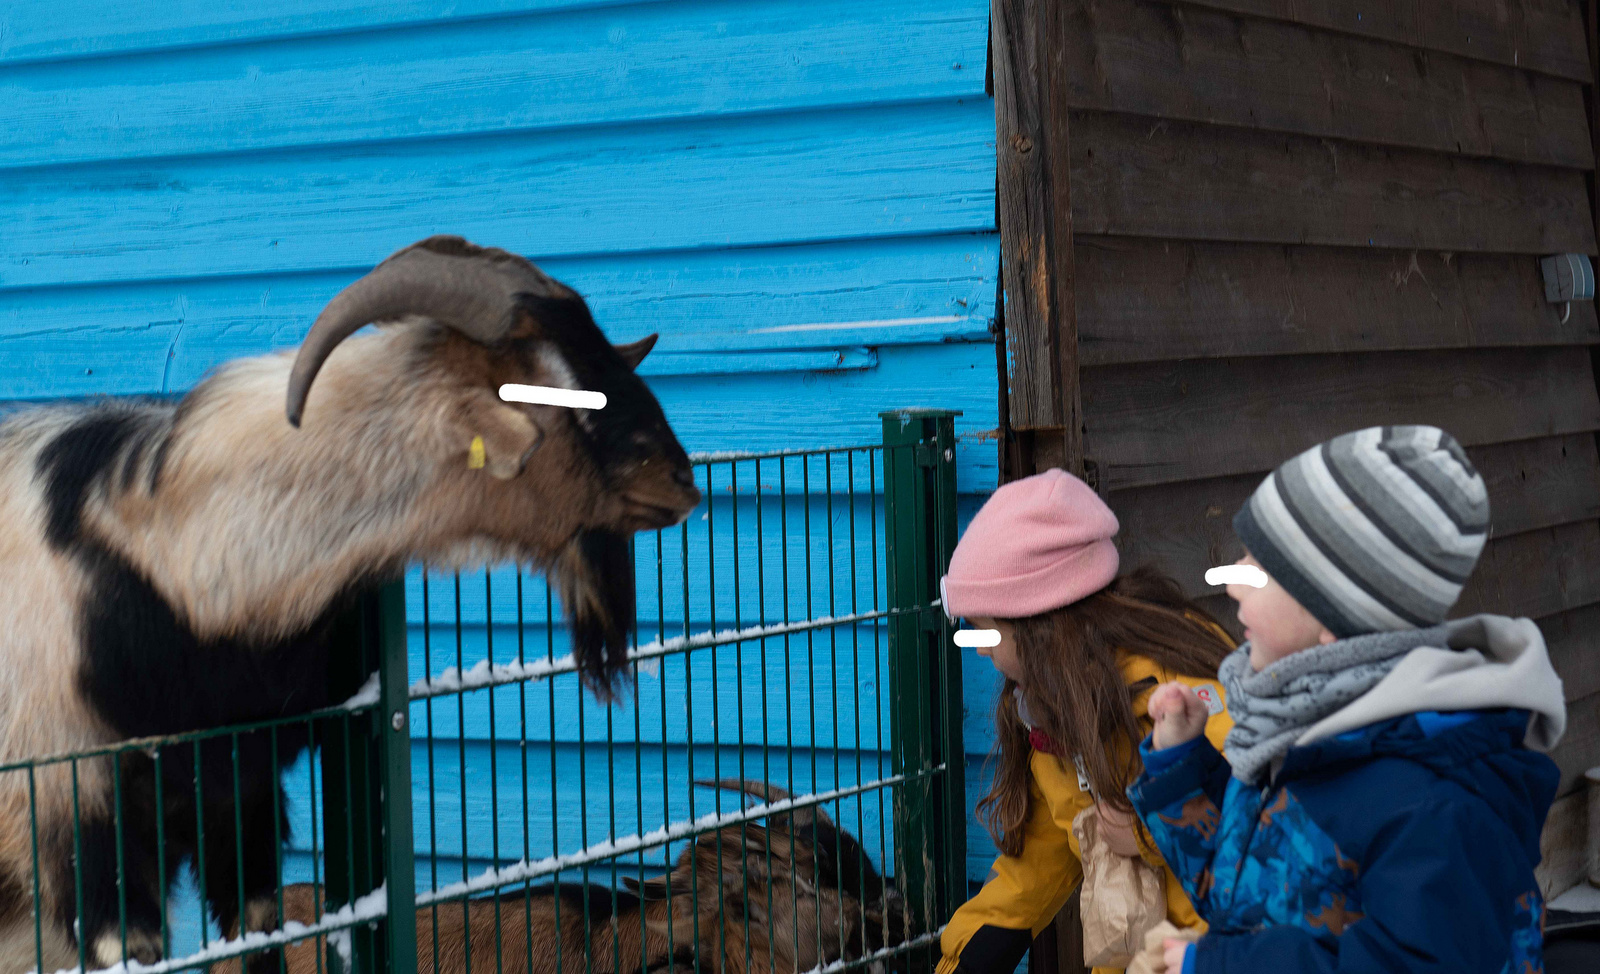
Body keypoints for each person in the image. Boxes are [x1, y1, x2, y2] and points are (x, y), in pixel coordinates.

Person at [1130, 425, 1567, 974]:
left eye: (1260, 568)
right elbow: (1244, 887)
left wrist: (1220, 966)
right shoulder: (1300, 730)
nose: (1233, 582)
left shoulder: (1435, 802)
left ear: (1337, 620)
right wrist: (1181, 767)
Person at [935, 469, 1238, 974]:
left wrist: (1146, 830)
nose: (981, 648)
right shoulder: (1050, 709)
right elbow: (1037, 864)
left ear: (1039, 624)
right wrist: (962, 963)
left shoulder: (1179, 691)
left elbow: (1256, 818)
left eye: (986, 630)